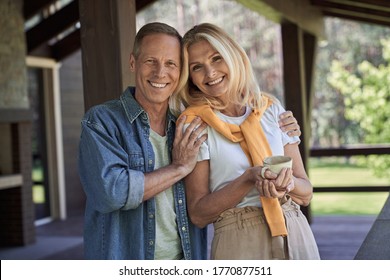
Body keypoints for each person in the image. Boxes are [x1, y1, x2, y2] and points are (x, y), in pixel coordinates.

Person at [78, 22, 301, 260]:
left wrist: (285, 130)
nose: (160, 73)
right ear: (133, 62)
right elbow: (113, 191)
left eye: (171, 64)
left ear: (181, 72)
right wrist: (179, 168)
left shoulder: (189, 124)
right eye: (150, 61)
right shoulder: (102, 121)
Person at [174, 23, 320, 260]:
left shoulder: (270, 109)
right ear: (189, 78)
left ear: (233, 56)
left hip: (295, 231)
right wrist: (248, 178)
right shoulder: (195, 124)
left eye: (216, 58)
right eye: (197, 67)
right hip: (239, 240)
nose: (210, 73)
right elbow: (198, 213)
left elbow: (306, 192)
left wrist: (287, 184)